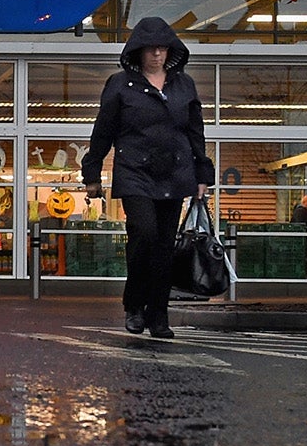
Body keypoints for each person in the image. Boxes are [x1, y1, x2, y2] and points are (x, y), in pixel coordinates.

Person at [81, 17, 212, 339]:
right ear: (138, 51)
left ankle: (158, 316)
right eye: (150, 49)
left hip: (175, 172)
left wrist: (202, 175)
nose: (157, 54)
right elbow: (104, 130)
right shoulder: (119, 84)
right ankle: (134, 307)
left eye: (162, 48)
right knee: (145, 234)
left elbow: (196, 132)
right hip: (134, 171)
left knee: (164, 246)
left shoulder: (184, 85)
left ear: (171, 50)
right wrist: (92, 174)